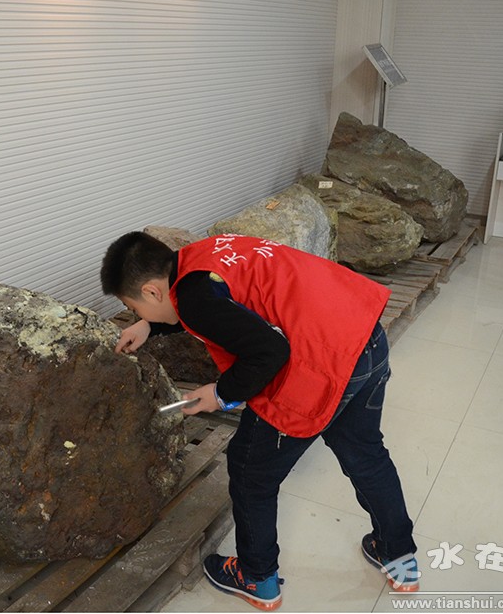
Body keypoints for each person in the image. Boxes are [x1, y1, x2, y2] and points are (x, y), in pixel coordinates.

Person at [100, 231, 419, 611]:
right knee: (366, 454)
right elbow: (214, 304)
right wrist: (150, 325)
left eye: (133, 307)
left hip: (322, 363)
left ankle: (257, 577)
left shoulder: (194, 298)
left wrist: (220, 393)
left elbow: (270, 350)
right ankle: (398, 555)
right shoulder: (200, 257)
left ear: (151, 291)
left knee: (250, 472)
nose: (136, 314)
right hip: (364, 338)